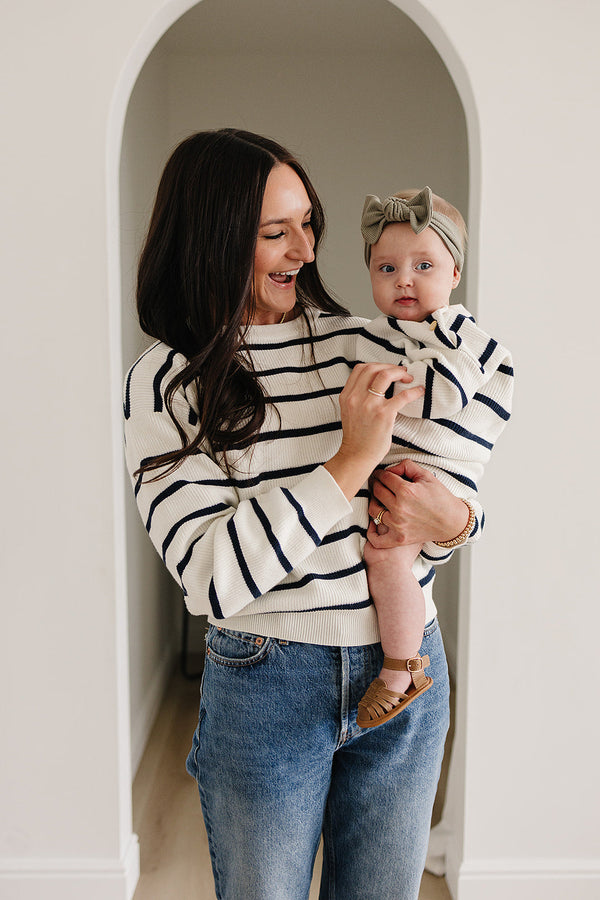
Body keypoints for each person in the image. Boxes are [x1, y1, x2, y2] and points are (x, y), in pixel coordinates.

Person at [123, 129, 484, 900]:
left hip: (408, 670)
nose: (304, 249)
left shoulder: (365, 342)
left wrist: (451, 522)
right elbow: (212, 578)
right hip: (267, 686)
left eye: (308, 223)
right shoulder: (167, 385)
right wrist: (348, 461)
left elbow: (439, 487)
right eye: (273, 232)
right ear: (214, 239)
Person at [354, 187, 513, 728]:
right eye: (387, 266)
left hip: (441, 470)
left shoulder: (465, 334)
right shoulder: (381, 335)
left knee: (389, 558)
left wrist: (381, 389)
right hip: (405, 467)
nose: (404, 278)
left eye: (423, 264)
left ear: (454, 274)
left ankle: (402, 670)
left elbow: (444, 396)